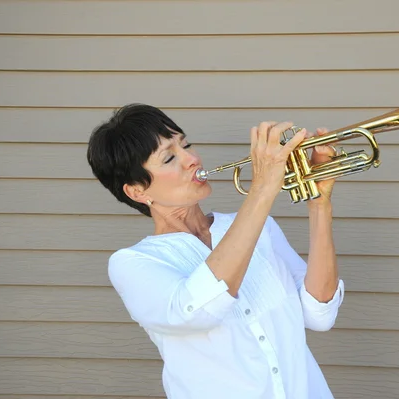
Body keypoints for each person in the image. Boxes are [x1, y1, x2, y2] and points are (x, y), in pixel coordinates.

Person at [86, 103, 345, 399]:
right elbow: (200, 311)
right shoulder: (132, 264)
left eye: (187, 145)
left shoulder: (260, 227)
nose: (192, 159)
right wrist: (262, 187)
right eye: (170, 157)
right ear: (137, 191)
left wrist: (319, 201)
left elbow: (319, 315)